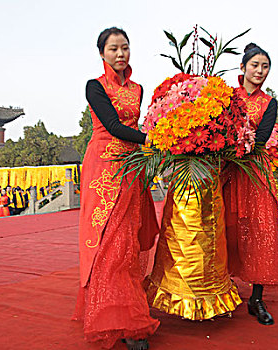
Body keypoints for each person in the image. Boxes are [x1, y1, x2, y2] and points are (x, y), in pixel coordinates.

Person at [72, 27, 159, 350]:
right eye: (113, 49)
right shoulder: (95, 86)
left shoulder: (137, 88)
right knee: (109, 241)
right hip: (104, 168)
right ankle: (120, 319)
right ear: (102, 53)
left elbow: (138, 125)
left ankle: (125, 311)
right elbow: (112, 125)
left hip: (133, 168)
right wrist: (152, 140)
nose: (120, 54)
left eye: (125, 48)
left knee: (128, 242)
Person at [222, 43, 278, 326]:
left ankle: (256, 298)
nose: (260, 71)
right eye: (255, 66)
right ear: (242, 68)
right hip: (227, 170)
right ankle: (221, 292)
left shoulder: (269, 103)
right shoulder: (226, 97)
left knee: (260, 231)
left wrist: (240, 147)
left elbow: (261, 137)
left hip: (254, 171)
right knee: (224, 229)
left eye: (265, 67)